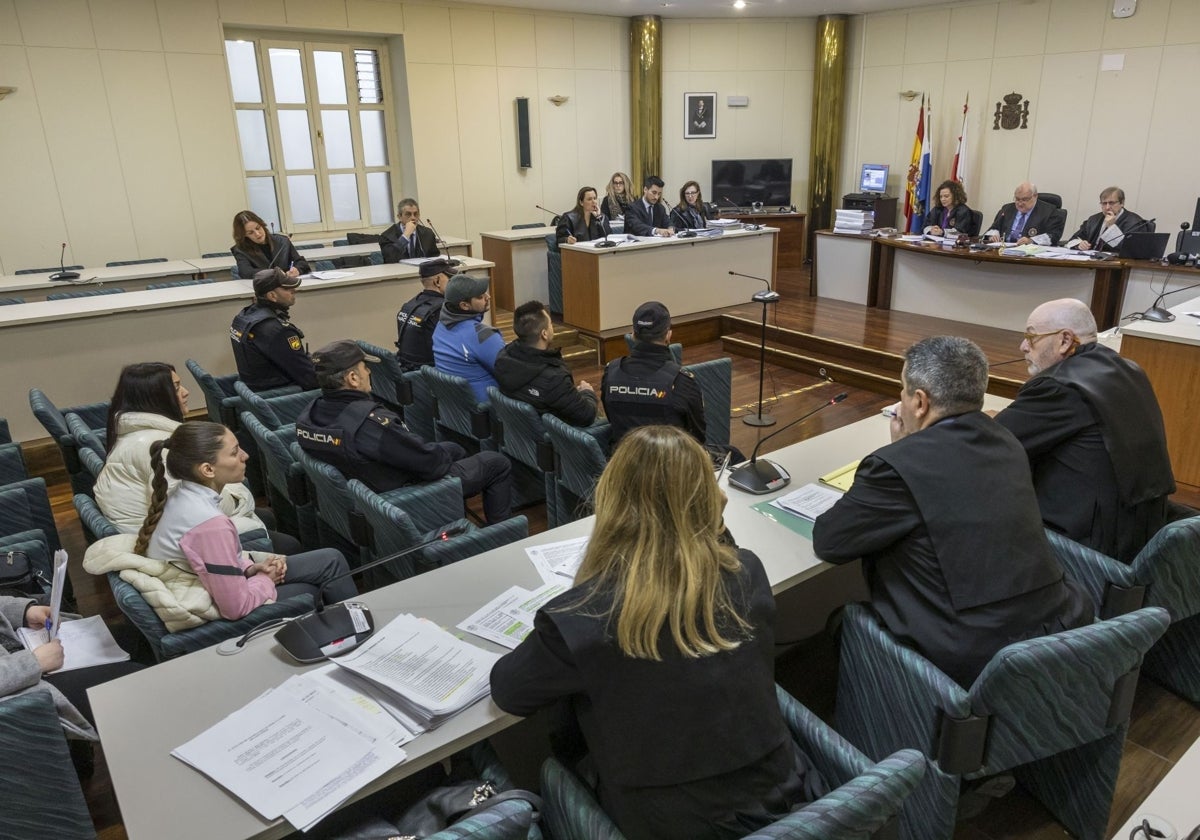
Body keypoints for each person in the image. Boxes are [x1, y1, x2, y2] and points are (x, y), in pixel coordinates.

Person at [490, 426, 825, 840]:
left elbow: (508, 690)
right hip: (781, 802)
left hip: (666, 824)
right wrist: (711, 522)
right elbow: (725, 558)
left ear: (611, 505)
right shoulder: (747, 572)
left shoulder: (581, 615)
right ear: (708, 501)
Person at [812, 336, 1091, 687]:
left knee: (843, 620)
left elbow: (830, 542)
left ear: (920, 401)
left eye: (902, 390)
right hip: (1052, 625)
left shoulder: (895, 466)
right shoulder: (1007, 441)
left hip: (970, 655)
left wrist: (901, 451)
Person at [993, 299, 1175, 562]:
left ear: (1065, 340)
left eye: (1031, 337)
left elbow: (989, 444)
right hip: (1140, 541)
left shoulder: (1060, 387)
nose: (1022, 346)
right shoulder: (1130, 370)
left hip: (1082, 552)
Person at [133, 422, 355, 621]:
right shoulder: (209, 525)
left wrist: (251, 569)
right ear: (208, 470)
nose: (245, 455)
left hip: (203, 584)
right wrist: (265, 579)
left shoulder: (182, 494)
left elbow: (214, 562)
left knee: (331, 559)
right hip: (214, 602)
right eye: (234, 452)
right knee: (309, 589)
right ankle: (360, 632)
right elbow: (235, 607)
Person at [297, 341, 513, 523]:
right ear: (353, 378)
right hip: (402, 497)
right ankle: (504, 541)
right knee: (496, 463)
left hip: (367, 488)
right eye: (364, 367)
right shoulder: (371, 425)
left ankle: (451, 516)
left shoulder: (310, 415)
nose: (369, 372)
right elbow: (431, 463)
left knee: (454, 448)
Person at [94, 362, 267, 540]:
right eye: (176, 388)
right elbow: (187, 512)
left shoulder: (134, 435)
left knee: (265, 519)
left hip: (158, 534)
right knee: (284, 541)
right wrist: (240, 496)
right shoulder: (160, 447)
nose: (185, 392)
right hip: (173, 544)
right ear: (156, 397)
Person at [0, 594, 140, 736]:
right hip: (17, 684)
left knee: (133, 639)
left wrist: (23, 612)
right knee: (137, 684)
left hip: (18, 647)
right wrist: (33, 662)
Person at [601, 301, 705, 449]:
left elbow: (612, 419)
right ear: (668, 335)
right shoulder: (683, 381)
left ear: (633, 334)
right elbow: (697, 438)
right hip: (671, 467)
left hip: (621, 465)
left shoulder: (610, 372)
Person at [494, 300, 597, 426]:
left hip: (520, 436)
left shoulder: (503, 357)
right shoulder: (554, 378)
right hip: (552, 440)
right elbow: (586, 416)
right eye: (551, 324)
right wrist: (588, 393)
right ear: (544, 333)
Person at [229, 267, 317, 392]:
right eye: (287, 288)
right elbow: (309, 379)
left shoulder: (244, 317)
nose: (294, 290)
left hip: (255, 391)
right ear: (272, 296)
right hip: (281, 396)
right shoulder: (277, 330)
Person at [432, 273, 505, 401]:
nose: (488, 297)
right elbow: (510, 374)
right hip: (488, 410)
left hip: (455, 408)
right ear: (465, 305)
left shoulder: (440, 327)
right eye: (480, 297)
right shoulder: (484, 335)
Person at [396, 257, 456, 371]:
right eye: (449, 279)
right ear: (437, 281)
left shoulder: (409, 305)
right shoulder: (443, 309)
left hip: (408, 369)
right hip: (431, 373)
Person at [229, 210, 310, 280]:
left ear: (262, 225)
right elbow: (245, 272)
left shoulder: (283, 241)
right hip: (263, 289)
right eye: (250, 233)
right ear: (244, 235)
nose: (257, 234)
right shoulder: (240, 250)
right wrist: (273, 273)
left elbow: (301, 262)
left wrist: (297, 270)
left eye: (258, 228)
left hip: (287, 284)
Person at [1066, 187, 1148, 252]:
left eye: (1111, 203)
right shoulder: (1094, 219)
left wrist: (1111, 227)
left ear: (1122, 203)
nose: (1107, 207)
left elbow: (1131, 250)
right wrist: (1079, 244)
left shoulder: (1135, 223)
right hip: (1090, 262)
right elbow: (1073, 239)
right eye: (1104, 203)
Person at [984, 181, 1064, 246]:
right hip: (1003, 250)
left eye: (1024, 199)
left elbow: (1053, 236)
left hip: (1031, 254)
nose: (1020, 203)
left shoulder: (1050, 211)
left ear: (1035, 196)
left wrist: (1031, 241)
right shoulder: (1007, 209)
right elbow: (994, 228)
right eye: (1017, 199)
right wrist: (992, 236)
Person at [379, 198, 440, 263]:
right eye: (408, 214)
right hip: (400, 271)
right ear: (399, 217)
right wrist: (405, 235)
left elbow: (434, 257)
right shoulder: (387, 235)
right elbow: (390, 258)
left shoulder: (427, 233)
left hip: (423, 270)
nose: (413, 217)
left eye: (415, 214)